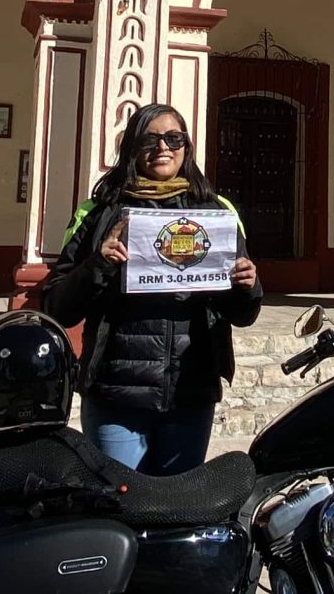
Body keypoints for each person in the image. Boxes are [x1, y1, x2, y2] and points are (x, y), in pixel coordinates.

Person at [37, 101, 261, 475]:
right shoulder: (98, 212)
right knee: (119, 507)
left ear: (186, 148)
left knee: (174, 510)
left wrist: (248, 286)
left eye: (174, 138)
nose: (163, 148)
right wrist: (99, 264)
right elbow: (56, 307)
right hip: (116, 395)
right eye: (150, 139)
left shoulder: (217, 213)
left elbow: (244, 313)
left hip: (190, 392)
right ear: (132, 148)